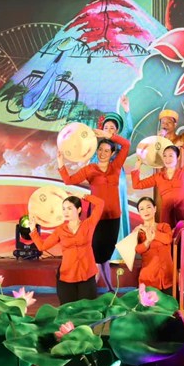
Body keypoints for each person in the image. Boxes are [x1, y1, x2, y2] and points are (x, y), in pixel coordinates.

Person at [57, 124, 131, 292]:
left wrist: (109, 135)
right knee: (95, 254)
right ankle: (90, 289)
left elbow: (126, 145)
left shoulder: (116, 166)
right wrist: (61, 163)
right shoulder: (90, 169)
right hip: (96, 218)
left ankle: (109, 288)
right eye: (100, 150)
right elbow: (69, 180)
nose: (102, 153)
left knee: (106, 254)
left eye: (106, 151)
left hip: (114, 217)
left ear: (112, 154)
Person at [30, 194, 106, 304]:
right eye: (64, 209)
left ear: (79, 209)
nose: (66, 212)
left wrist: (85, 196)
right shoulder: (60, 230)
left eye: (70, 208)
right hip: (67, 277)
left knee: (88, 311)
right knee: (68, 311)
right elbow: (42, 246)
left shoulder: (88, 224)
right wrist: (33, 231)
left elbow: (100, 203)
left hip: (87, 275)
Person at [131, 143, 184, 229]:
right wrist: (137, 168)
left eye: (171, 156)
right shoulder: (158, 177)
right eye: (165, 156)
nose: (167, 159)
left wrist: (183, 145)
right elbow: (137, 185)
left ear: (177, 158)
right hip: (167, 216)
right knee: (167, 240)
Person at [98, 95, 133, 259]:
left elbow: (130, 131)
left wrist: (127, 111)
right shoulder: (97, 147)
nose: (109, 130)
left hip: (117, 181)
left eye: (112, 128)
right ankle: (103, 253)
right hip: (102, 183)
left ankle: (118, 254)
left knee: (117, 210)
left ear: (116, 131)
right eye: (106, 127)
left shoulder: (119, 145)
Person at [133, 196, 175, 295]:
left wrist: (153, 233)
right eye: (141, 209)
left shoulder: (164, 226)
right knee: (151, 308)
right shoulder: (138, 231)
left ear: (155, 209)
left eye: (148, 207)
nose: (145, 211)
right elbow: (138, 250)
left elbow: (168, 239)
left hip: (167, 277)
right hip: (149, 277)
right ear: (139, 213)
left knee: (169, 308)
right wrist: (147, 241)